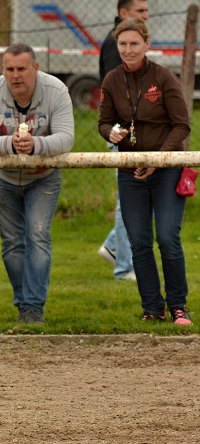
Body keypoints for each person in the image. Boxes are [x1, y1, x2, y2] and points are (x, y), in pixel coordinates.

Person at [98, 18, 191, 325]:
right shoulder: (112, 80)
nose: (127, 50)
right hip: (130, 171)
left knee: (166, 237)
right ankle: (153, 308)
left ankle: (178, 306)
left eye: (134, 43)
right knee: (138, 240)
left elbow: (182, 125)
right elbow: (103, 122)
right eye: (122, 44)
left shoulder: (164, 78)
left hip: (166, 169)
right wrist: (111, 133)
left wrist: (160, 158)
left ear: (147, 44)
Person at [0, 43, 75, 326]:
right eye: (9, 69)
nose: (15, 75)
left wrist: (36, 144)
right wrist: (10, 143)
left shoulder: (57, 91)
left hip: (44, 176)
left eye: (21, 69)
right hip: (4, 177)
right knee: (12, 244)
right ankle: (25, 305)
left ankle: (33, 307)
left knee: (38, 236)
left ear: (35, 68)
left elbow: (67, 137)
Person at [96, 0, 149, 282]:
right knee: (129, 199)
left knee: (140, 195)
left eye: (146, 11)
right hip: (124, 132)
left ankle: (115, 247)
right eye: (140, 11)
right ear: (123, 13)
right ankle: (124, 267)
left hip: (136, 132)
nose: (146, 15)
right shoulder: (118, 46)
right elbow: (116, 96)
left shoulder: (126, 44)